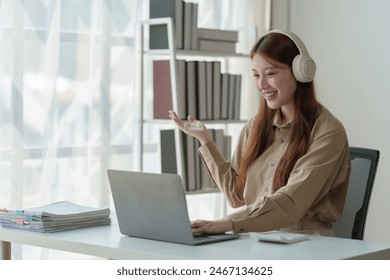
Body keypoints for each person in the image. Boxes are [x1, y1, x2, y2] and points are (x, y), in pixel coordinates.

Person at [168, 29, 351, 237]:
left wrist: (228, 222)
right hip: (257, 238)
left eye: (270, 74)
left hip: (306, 244)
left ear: (300, 71)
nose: (262, 85)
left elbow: (291, 204)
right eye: (256, 75)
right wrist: (205, 141)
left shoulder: (328, 133)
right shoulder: (255, 126)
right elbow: (237, 196)